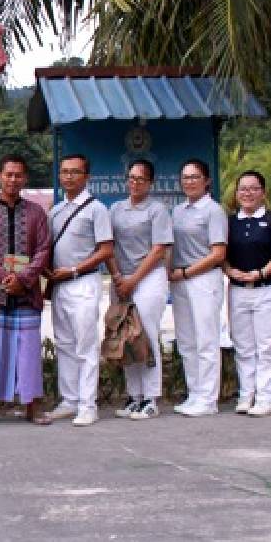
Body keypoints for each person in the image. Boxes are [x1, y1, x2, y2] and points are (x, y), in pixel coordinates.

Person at [0, 154, 51, 426]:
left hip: (26, 293)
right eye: (8, 175)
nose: (13, 180)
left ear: (25, 179)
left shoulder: (36, 213)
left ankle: (32, 405)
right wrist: (5, 278)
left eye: (18, 175)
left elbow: (43, 250)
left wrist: (24, 279)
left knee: (29, 351)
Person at [44, 154, 114, 426]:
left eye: (75, 172)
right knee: (64, 344)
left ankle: (88, 404)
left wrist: (74, 269)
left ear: (87, 177)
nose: (68, 177)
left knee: (85, 346)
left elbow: (106, 250)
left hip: (83, 282)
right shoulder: (56, 210)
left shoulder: (97, 209)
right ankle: (69, 399)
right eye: (64, 172)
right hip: (60, 284)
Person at [223, 171, 271, 416]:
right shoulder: (231, 223)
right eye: (243, 189)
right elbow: (220, 253)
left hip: (269, 289)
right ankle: (247, 395)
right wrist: (230, 271)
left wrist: (262, 273)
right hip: (239, 291)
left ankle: (266, 398)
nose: (248, 193)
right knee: (243, 346)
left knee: (268, 345)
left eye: (254, 189)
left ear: (263, 192)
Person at [106, 159, 174, 421]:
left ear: (150, 183)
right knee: (125, 336)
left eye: (141, 179)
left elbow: (159, 249)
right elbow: (108, 245)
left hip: (148, 277)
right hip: (121, 279)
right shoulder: (116, 209)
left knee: (144, 333)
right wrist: (117, 277)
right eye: (131, 178)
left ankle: (151, 397)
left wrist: (133, 279)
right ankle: (134, 396)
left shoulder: (157, 210)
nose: (135, 183)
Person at [168, 158, 229, 416]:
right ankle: (195, 393)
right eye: (185, 177)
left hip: (204, 280)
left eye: (194, 177)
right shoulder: (178, 210)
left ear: (207, 181)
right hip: (181, 281)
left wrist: (185, 272)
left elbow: (218, 253)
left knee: (206, 339)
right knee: (187, 341)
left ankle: (208, 398)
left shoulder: (214, 211)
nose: (189, 182)